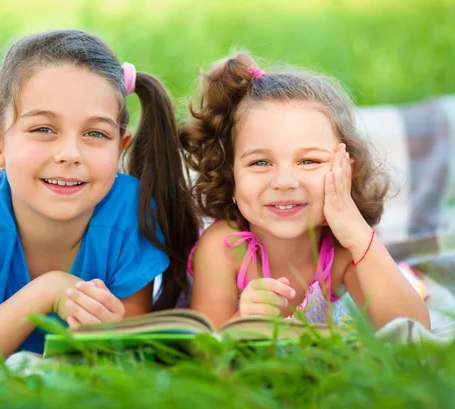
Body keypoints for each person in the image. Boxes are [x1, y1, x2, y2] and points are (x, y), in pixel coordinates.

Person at [0, 29, 201, 369]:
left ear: (120, 148)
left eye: (95, 133)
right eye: (43, 129)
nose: (69, 154)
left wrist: (111, 334)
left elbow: (122, 356)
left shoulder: (132, 215)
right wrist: (46, 291)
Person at [179, 52, 430, 329]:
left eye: (308, 161)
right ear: (230, 176)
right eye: (260, 162)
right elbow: (206, 350)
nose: (284, 181)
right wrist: (243, 323)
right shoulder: (223, 249)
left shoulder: (344, 248)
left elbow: (414, 331)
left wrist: (358, 235)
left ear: (346, 172)